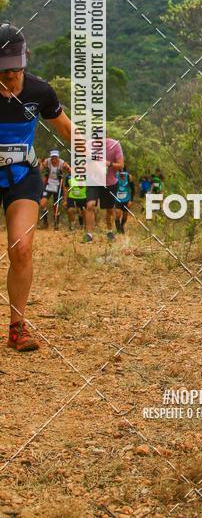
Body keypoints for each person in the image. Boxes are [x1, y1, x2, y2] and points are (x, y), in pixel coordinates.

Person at [0, 23, 75, 351]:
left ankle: (17, 328)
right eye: (3, 71)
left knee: (22, 248)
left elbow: (67, 130)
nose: (11, 76)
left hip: (23, 177)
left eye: (16, 69)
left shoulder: (40, 92)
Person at [83, 137, 124, 243]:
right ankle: (89, 234)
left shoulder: (115, 145)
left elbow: (121, 165)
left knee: (109, 209)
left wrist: (109, 164)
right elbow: (84, 163)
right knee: (90, 205)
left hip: (109, 182)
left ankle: (109, 231)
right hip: (94, 181)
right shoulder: (89, 144)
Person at [40, 150, 71, 230]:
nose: (54, 159)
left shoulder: (62, 163)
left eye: (55, 157)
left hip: (58, 186)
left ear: (58, 157)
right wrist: (42, 164)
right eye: (52, 157)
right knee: (42, 203)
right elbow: (40, 169)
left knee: (55, 206)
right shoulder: (47, 161)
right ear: (50, 157)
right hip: (49, 185)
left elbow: (70, 170)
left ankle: (56, 224)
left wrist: (67, 167)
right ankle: (45, 222)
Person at [114, 166, 134, 234]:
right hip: (117, 199)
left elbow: (132, 189)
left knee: (125, 216)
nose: (121, 174)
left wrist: (131, 200)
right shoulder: (115, 176)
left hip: (127, 199)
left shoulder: (129, 177)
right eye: (120, 173)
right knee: (118, 214)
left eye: (123, 173)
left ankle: (122, 225)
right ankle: (118, 229)